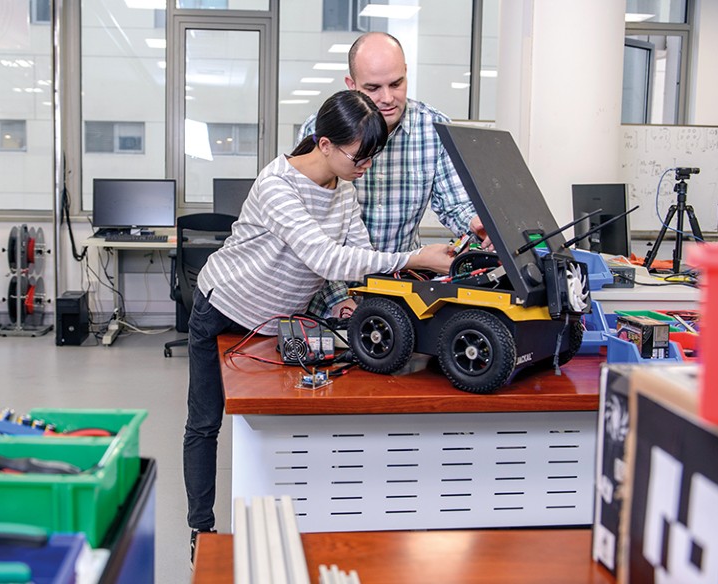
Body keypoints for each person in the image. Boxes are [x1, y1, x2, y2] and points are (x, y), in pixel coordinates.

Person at [183, 89, 452, 562]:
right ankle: (201, 531)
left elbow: (357, 251)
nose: (365, 165)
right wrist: (414, 255)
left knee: (266, 423)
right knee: (205, 423)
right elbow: (324, 255)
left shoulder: (345, 191)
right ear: (324, 144)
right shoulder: (276, 185)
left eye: (373, 155)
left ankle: (280, 530)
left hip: (275, 320)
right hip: (222, 306)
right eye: (359, 155)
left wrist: (355, 296)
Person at [298, 31, 490, 318]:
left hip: (401, 284)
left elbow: (456, 204)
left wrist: (476, 224)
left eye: (396, 84)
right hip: (332, 291)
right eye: (373, 88)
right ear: (351, 85)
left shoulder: (433, 129)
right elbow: (310, 238)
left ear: (406, 74)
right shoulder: (322, 131)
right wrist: (339, 299)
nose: (387, 98)